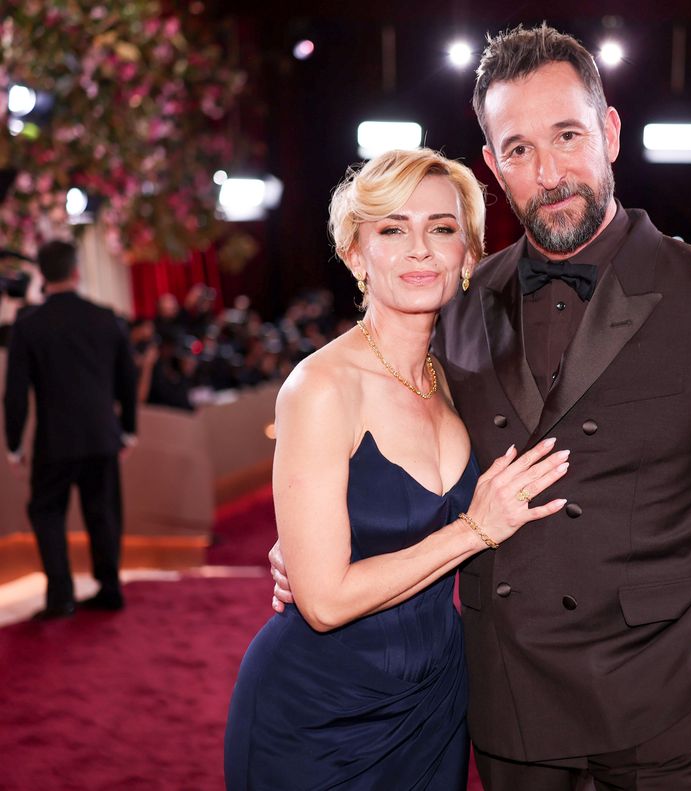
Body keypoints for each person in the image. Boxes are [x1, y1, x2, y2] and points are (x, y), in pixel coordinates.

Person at [272, 25, 691, 790]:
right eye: (518, 149)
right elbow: (386, 431)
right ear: (493, 165)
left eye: (567, 135)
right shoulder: (460, 302)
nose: (549, 172)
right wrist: (313, 554)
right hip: (508, 707)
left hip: (662, 710)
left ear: (609, 132)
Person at [223, 148, 570, 790]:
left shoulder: (460, 382)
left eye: (441, 229)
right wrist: (474, 529)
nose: (420, 249)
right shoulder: (321, 387)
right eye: (392, 229)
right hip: (317, 714)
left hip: (437, 702)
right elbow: (323, 603)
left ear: (468, 256)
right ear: (356, 255)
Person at [3, 240, 137, 619]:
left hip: (54, 440)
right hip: (101, 436)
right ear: (77, 271)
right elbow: (127, 379)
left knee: (46, 512)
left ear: (42, 275)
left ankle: (60, 596)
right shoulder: (105, 317)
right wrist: (127, 430)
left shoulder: (28, 325)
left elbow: (14, 394)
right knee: (104, 513)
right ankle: (110, 589)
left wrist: (14, 445)